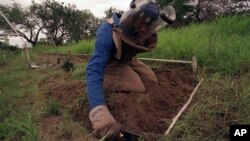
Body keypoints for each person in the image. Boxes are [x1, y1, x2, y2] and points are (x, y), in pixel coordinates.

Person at [86, 0, 175, 139]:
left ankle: (126, 72)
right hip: (111, 62)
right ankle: (105, 82)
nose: (144, 29)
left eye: (148, 25)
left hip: (128, 60)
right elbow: (94, 68)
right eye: (142, 23)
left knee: (151, 80)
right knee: (138, 86)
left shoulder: (141, 30)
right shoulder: (107, 31)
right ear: (133, 16)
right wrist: (98, 110)